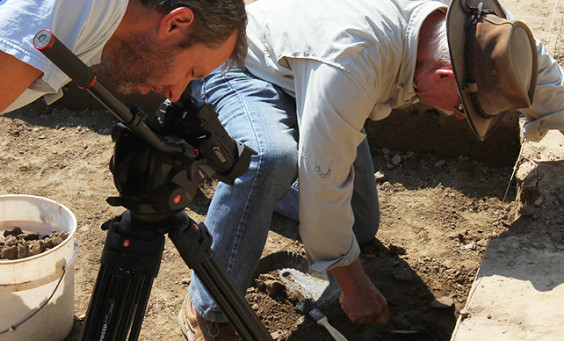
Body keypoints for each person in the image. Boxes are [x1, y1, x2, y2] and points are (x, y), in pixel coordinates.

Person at [177, 0, 564, 339]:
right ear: (445, 76)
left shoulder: (475, 30)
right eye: (464, 108)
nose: (459, 116)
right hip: (244, 66)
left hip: (310, 77)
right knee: (271, 159)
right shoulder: (352, 65)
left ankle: (226, 169)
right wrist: (354, 286)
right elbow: (323, 189)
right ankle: (207, 308)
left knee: (359, 226)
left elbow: (539, 76)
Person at [0, 0, 247, 114]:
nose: (175, 94)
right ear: (175, 23)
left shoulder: (102, 21)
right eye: (191, 72)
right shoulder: (83, 6)